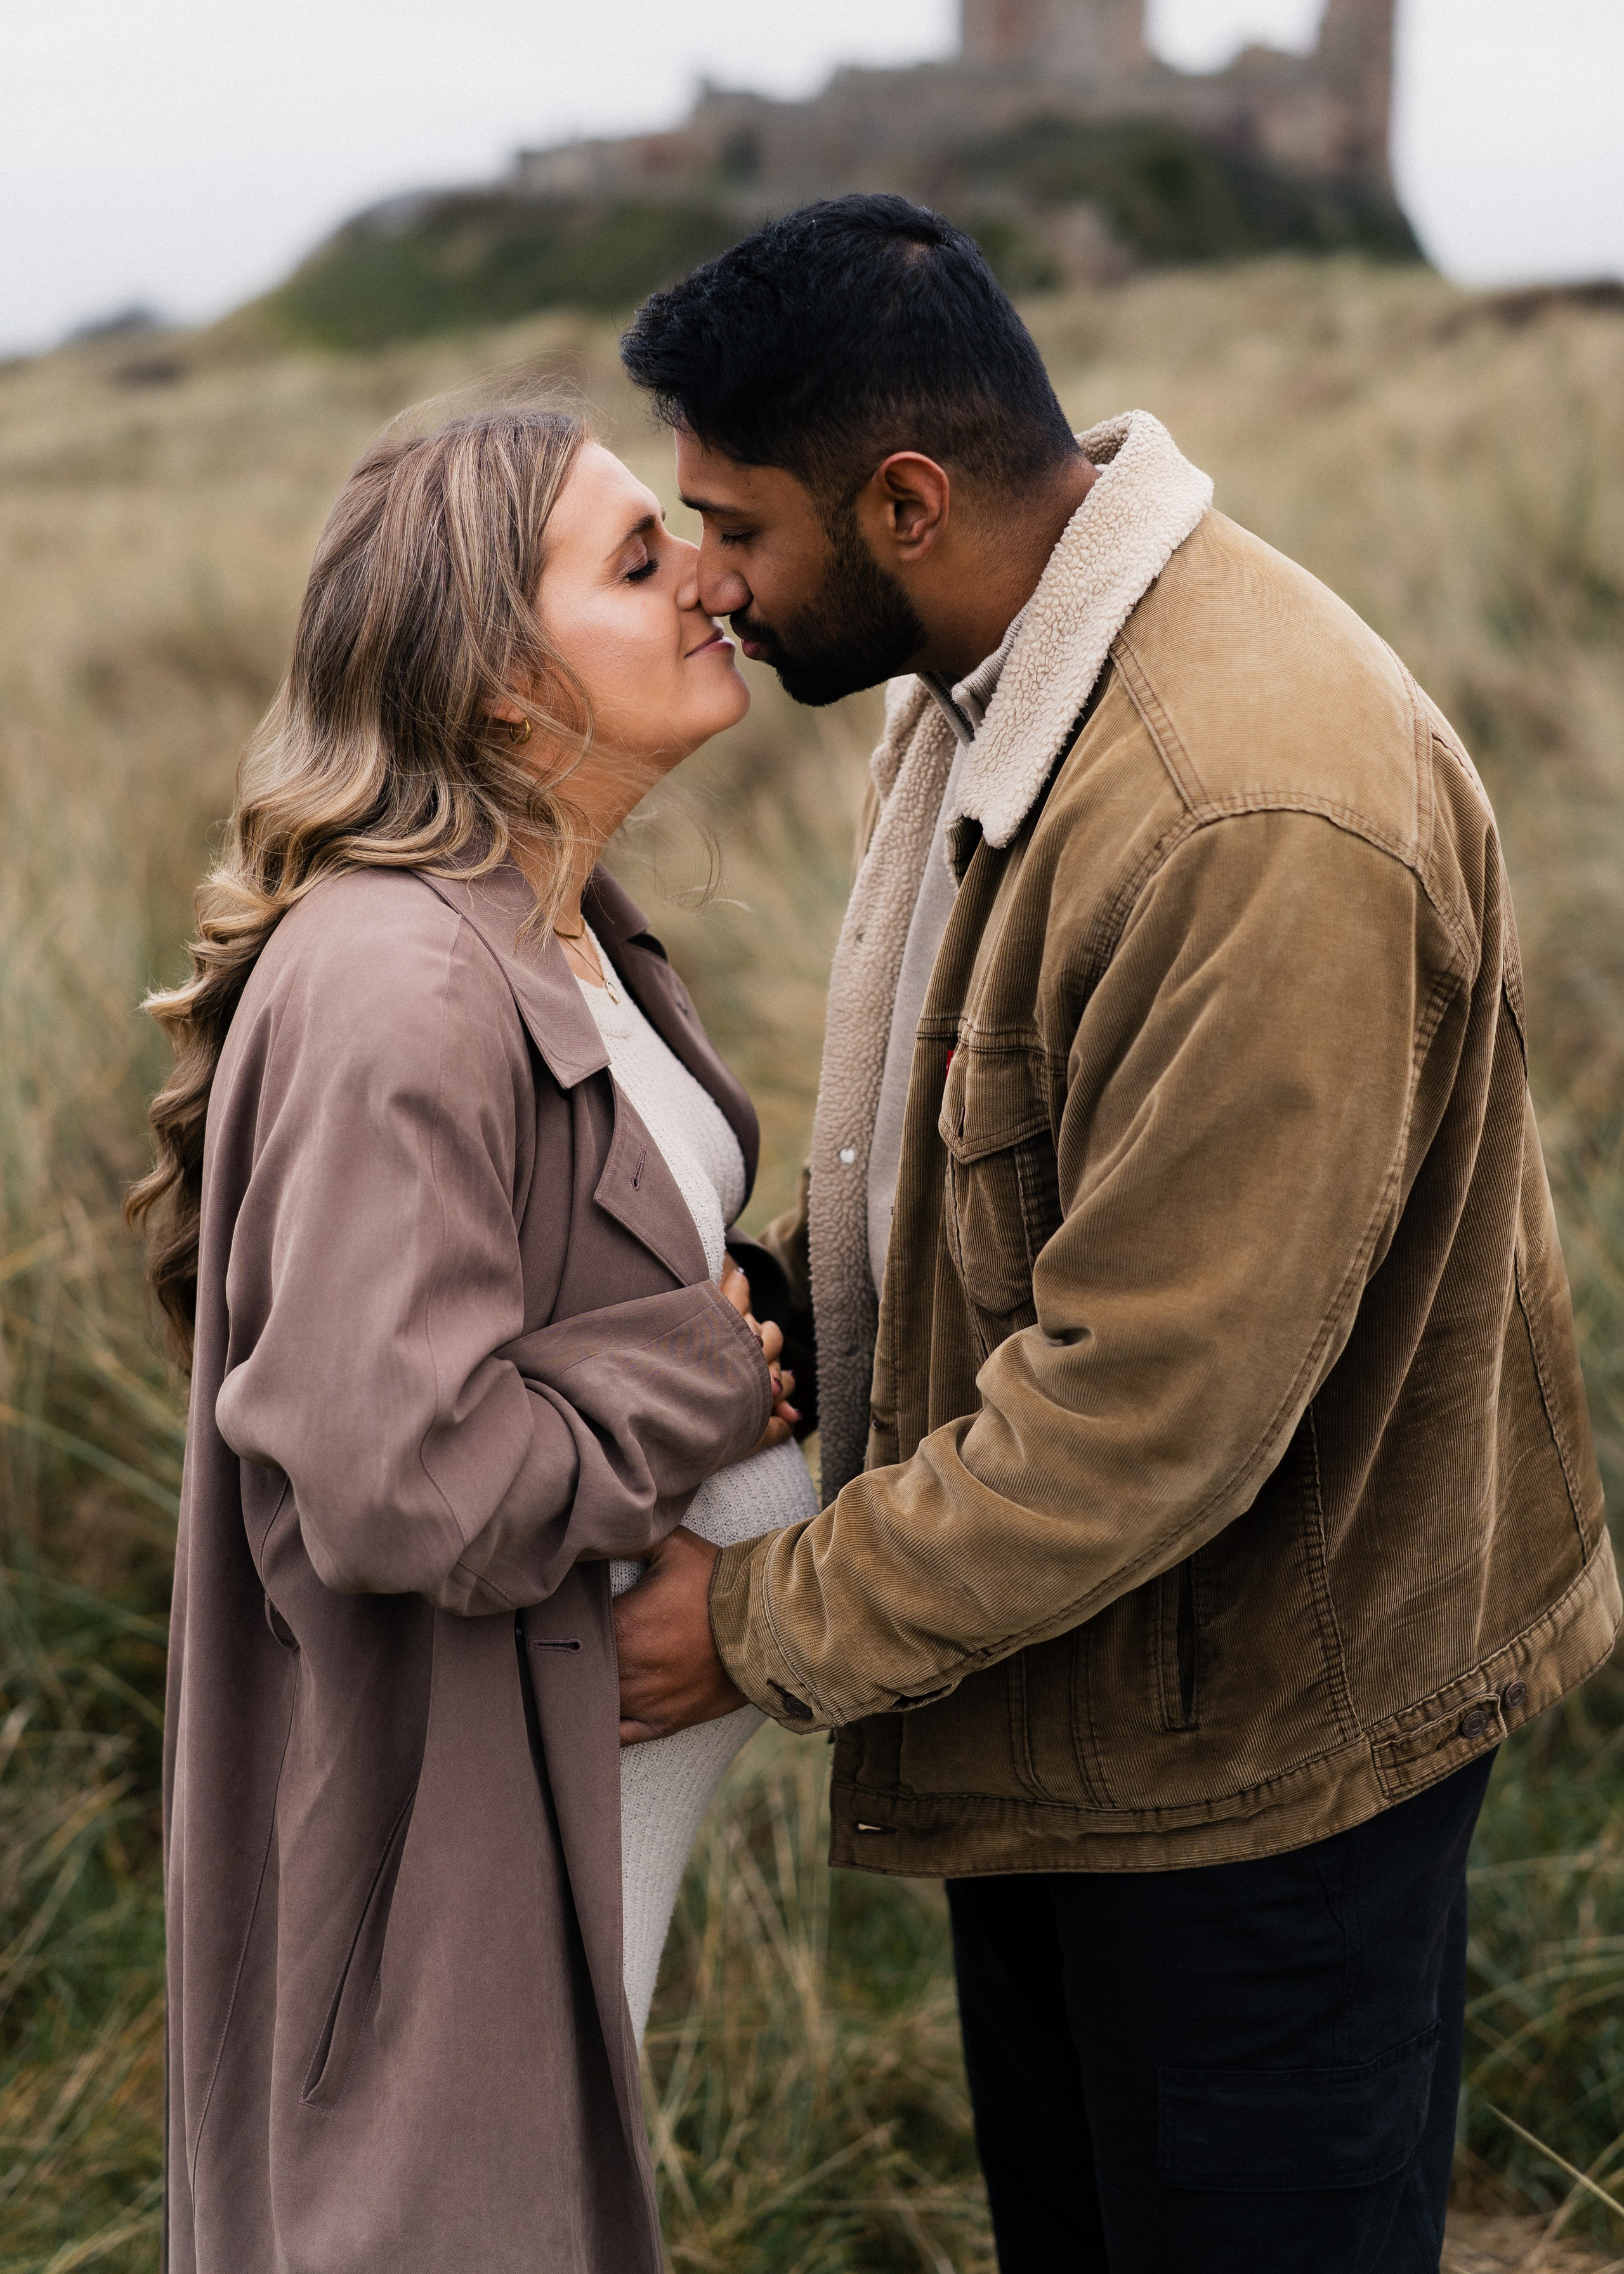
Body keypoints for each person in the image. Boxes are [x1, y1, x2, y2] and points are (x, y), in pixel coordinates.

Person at [611, 195, 1621, 2270]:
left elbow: (1150, 1403)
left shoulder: (1244, 811)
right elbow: (1002, 1159)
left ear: (905, 500)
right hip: (1088, 1692)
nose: (703, 581)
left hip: (1265, 1763)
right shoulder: (994, 670)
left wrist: (747, 1619)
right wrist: (785, 1311)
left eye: (734, 526)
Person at [129, 404, 815, 2274]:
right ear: (506, 688)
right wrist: (708, 1373)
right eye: (634, 561)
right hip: (458, 1826)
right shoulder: (401, 977)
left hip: (573, 1795)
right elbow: (405, 1475)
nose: (713, 576)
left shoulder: (567, 925)